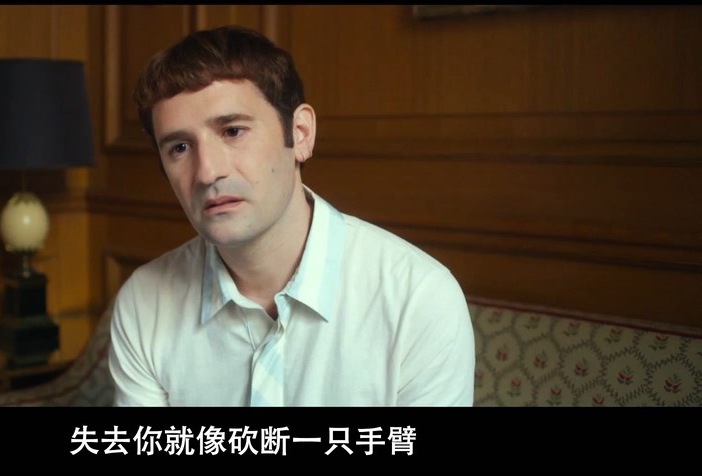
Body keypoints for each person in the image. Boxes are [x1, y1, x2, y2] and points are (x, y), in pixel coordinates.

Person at [108, 25, 475, 406]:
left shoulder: (417, 299)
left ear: (300, 133)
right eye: (180, 148)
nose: (207, 172)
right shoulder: (144, 302)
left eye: (232, 131)